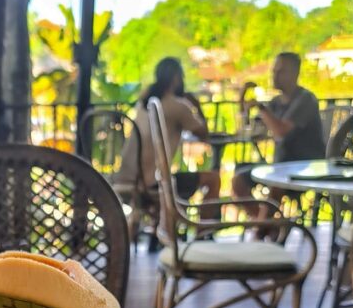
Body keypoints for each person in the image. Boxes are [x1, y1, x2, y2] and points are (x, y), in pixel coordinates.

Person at [119, 57, 221, 234]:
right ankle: (202, 235)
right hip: (153, 184)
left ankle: (163, 228)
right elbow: (203, 134)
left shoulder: (144, 102)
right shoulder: (177, 105)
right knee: (213, 179)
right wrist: (196, 105)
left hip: (127, 179)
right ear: (176, 78)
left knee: (174, 179)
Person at [232, 52, 325, 216]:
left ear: (295, 73)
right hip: (280, 165)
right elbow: (250, 129)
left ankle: (263, 226)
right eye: (274, 71)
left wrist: (260, 108)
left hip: (305, 166)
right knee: (238, 180)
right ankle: (264, 224)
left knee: (276, 184)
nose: (274, 75)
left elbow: (281, 131)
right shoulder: (276, 102)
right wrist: (243, 99)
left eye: (281, 71)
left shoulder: (306, 99)